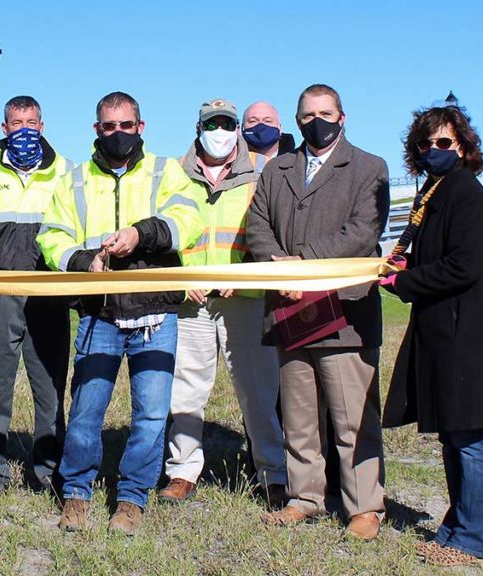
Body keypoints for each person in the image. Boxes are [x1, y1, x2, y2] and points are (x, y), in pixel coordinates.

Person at [38, 91, 202, 535]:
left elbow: (188, 219)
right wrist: (81, 259)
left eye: (126, 126)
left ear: (140, 128)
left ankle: (131, 499)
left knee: (150, 414)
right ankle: (76, 494)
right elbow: (51, 235)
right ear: (97, 130)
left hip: (155, 316)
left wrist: (140, 233)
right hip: (99, 315)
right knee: (87, 409)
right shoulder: (73, 179)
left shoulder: (167, 171)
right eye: (109, 127)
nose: (118, 134)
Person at [380, 105, 483, 566]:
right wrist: (404, 264)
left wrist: (406, 282)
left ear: (462, 147)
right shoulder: (436, 192)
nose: (433, 151)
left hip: (471, 336)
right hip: (446, 332)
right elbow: (435, 255)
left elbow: (467, 265)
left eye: (443, 143)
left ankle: (472, 538)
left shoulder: (465, 193)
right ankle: (457, 525)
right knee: (454, 435)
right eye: (425, 144)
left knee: (469, 439)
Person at [247, 84, 390, 540]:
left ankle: (364, 505)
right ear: (297, 120)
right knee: (299, 416)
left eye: (325, 113)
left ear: (342, 117)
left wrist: (302, 262)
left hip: (344, 312)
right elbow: (258, 225)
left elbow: (362, 234)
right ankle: (305, 496)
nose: (317, 121)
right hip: (288, 308)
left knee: (353, 418)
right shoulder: (277, 170)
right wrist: (277, 268)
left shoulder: (369, 168)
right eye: (307, 115)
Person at [158, 98, 287, 508]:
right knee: (186, 392)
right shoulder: (174, 174)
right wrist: (182, 279)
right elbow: (166, 233)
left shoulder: (263, 172)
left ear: (236, 128)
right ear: (198, 128)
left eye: (226, 122)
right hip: (191, 300)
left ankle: (273, 474)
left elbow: (271, 230)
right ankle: (182, 472)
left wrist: (244, 271)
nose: (219, 129)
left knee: (259, 392)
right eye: (211, 123)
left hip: (244, 298)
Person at [0, 96, 72, 496]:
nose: (23, 127)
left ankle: (48, 469)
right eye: (15, 121)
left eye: (31, 121)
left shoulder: (67, 172)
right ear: (5, 128)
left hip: (48, 293)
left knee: (50, 387)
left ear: (42, 125)